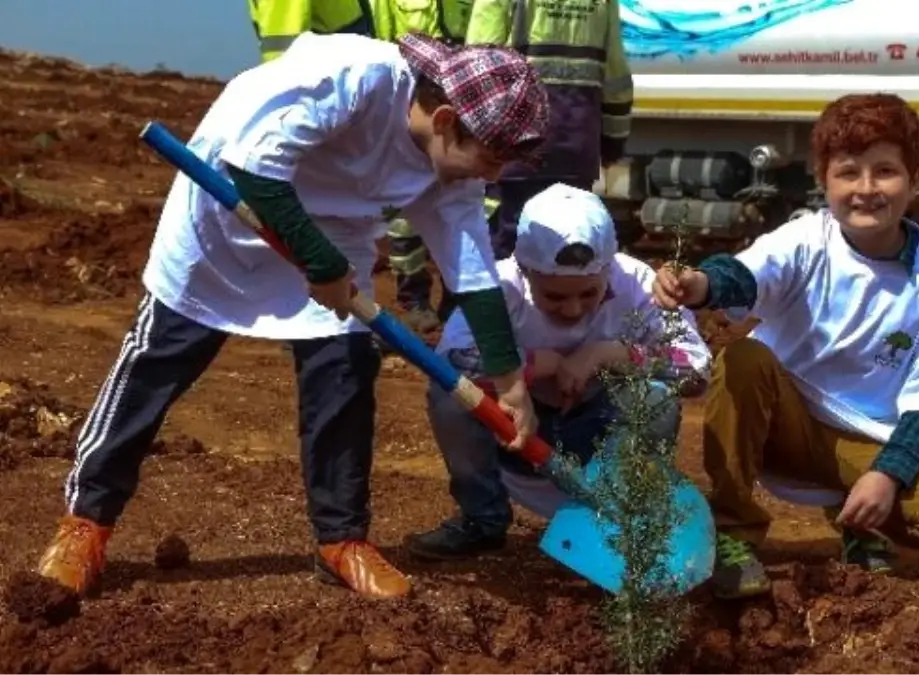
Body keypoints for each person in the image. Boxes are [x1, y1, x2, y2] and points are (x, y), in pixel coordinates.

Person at [35, 32, 547, 600]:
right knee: (157, 365)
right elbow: (254, 165)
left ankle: (340, 539)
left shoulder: (453, 166)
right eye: (492, 157)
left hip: (331, 235)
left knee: (345, 374)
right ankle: (86, 520)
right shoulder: (351, 77)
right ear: (447, 118)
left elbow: (471, 270)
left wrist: (509, 381)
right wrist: (320, 264)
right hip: (230, 209)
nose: (494, 175)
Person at [652, 93, 919, 600]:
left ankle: (862, 528)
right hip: (783, 421)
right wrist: (699, 283)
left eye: (885, 171)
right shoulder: (807, 240)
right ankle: (731, 534)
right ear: (823, 180)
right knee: (744, 358)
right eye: (849, 172)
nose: (867, 189)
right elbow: (744, 274)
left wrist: (887, 475)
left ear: (915, 178)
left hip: (865, 439)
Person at [404, 183, 711, 559]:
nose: (572, 309)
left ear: (609, 270)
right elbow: (449, 362)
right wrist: (533, 365)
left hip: (599, 440)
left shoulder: (638, 284)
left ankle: (619, 523)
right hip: (516, 438)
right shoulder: (499, 287)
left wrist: (610, 353)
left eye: (589, 293)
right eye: (555, 296)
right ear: (526, 271)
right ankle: (482, 519)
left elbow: (696, 368)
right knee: (450, 397)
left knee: (657, 400)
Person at [246, 0, 488, 333]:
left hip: (418, 108)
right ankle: (332, 313)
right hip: (342, 109)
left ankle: (340, 328)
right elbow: (286, 49)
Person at [466, 0, 633, 259]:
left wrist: (470, 136)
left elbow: (478, 62)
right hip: (577, 141)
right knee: (567, 247)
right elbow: (616, 71)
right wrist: (614, 138)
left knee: (509, 245)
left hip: (515, 142)